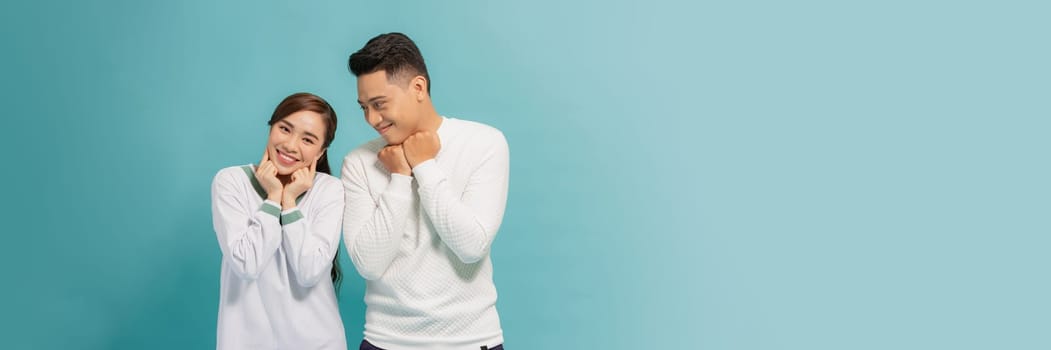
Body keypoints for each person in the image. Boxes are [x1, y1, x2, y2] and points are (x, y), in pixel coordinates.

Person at [341, 32, 510, 350]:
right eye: (364, 107)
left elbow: (472, 246)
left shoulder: (484, 144)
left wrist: (424, 166)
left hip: (472, 341)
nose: (371, 119)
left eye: (379, 104)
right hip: (385, 342)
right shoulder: (359, 162)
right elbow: (368, 263)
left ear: (418, 88)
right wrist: (400, 178)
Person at [211, 92, 348, 350]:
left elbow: (309, 271)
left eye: (308, 139)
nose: (291, 145)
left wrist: (290, 203)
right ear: (271, 127)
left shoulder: (329, 189)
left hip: (318, 342)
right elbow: (247, 264)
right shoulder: (231, 182)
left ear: (321, 152)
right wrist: (273, 198)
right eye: (285, 129)